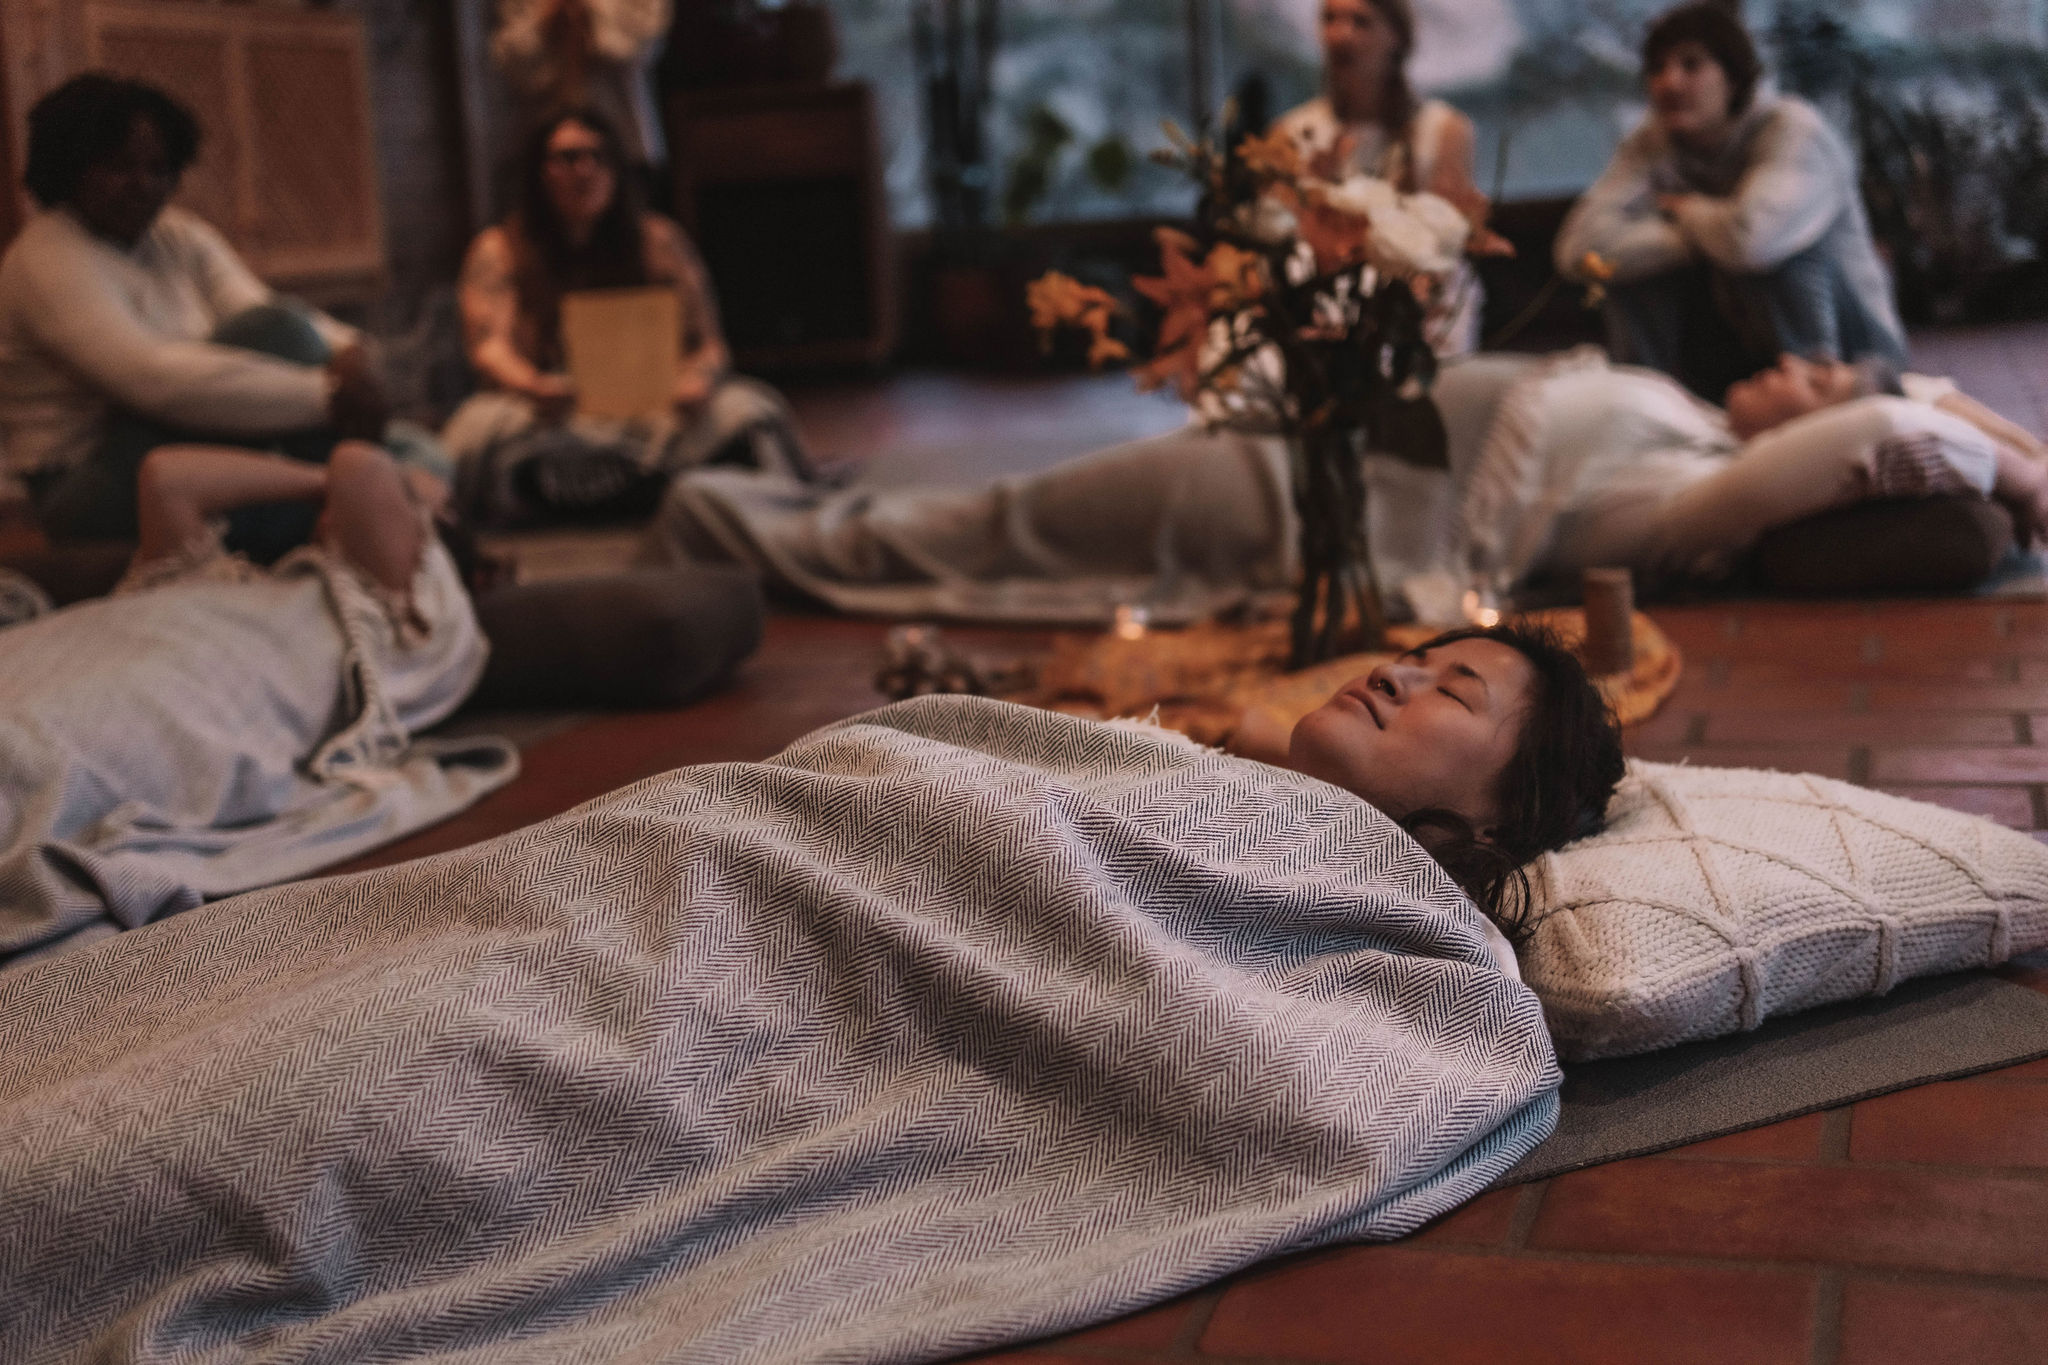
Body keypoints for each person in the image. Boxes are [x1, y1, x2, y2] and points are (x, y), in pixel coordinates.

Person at [640, 348, 2048, 624]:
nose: (1794, 366)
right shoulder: (1674, 416)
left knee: (991, 527)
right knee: (998, 509)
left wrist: (2001, 459)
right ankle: (748, 504)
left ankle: (724, 521)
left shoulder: (1688, 502)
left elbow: (1879, 438)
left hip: (1293, 512)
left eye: (1820, 373)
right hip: (1299, 453)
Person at [0, 73, 445, 566]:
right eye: (118, 167)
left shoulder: (177, 236)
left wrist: (350, 354)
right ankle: (369, 500)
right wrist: (330, 397)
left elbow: (266, 313)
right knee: (375, 468)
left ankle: (363, 496)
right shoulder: (46, 256)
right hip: (90, 480)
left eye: (160, 168)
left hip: (187, 435)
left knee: (414, 448)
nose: (142, 185)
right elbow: (155, 382)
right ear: (69, 167)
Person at [443, 107, 813, 526]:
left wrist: (698, 381)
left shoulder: (659, 241)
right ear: (540, 172)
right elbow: (489, 346)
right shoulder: (499, 250)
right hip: (551, 414)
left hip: (658, 409)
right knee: (473, 431)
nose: (584, 171)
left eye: (598, 157)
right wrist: (534, 386)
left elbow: (708, 342)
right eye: (567, 158)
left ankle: (769, 509)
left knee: (751, 408)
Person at [1553, 2, 1908, 398]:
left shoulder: (1792, 127)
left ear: (1735, 78)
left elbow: (1752, 240)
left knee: (1776, 254)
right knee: (1619, 267)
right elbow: (1578, 252)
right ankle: (1651, 405)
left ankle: (1811, 401)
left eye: (1691, 65)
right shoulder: (1651, 143)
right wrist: (1698, 237)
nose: (1670, 82)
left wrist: (1686, 212)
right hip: (1736, 344)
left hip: (1856, 360)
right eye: (1657, 69)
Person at [1271, 0, 1487, 353]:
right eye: (1330, 19)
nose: (1341, 35)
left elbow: (1452, 236)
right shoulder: (1292, 133)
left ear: (1397, 37)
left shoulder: (1443, 129)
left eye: (1361, 21)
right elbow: (1283, 236)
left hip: (1421, 300)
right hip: (1322, 298)